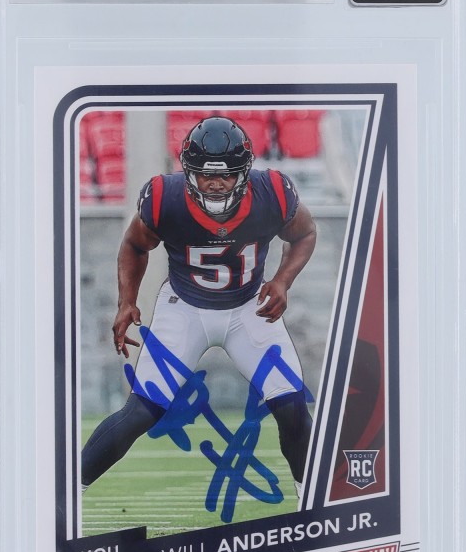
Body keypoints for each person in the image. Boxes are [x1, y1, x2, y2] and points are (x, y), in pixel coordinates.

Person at [81, 116, 317, 499]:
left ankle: (313, 502)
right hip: (184, 308)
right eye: (206, 174)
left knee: (292, 407)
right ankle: (66, 492)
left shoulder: (272, 192)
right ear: (189, 171)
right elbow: (135, 244)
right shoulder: (165, 198)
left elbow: (305, 233)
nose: (216, 183)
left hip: (249, 308)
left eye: (226, 174)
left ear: (245, 171)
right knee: (142, 411)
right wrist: (126, 301)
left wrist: (282, 280)